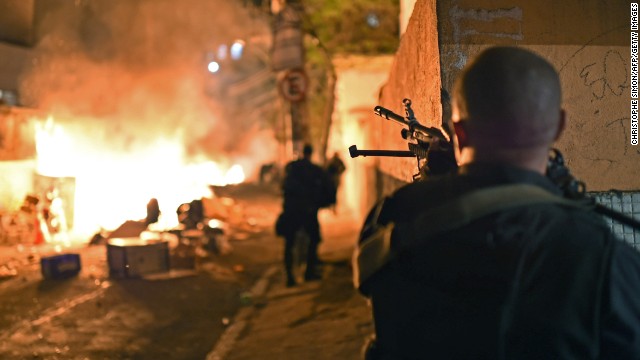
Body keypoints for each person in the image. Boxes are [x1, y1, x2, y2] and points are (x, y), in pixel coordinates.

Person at [353, 46, 640, 359]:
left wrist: (435, 185)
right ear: (558, 127)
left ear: (459, 132)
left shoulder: (395, 216)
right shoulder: (604, 256)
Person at [277, 143, 333, 287]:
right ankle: (309, 272)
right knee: (313, 240)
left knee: (289, 244)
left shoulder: (291, 168)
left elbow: (283, 187)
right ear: (311, 153)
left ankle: (290, 277)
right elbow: (326, 188)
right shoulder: (314, 170)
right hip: (308, 211)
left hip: (291, 211)